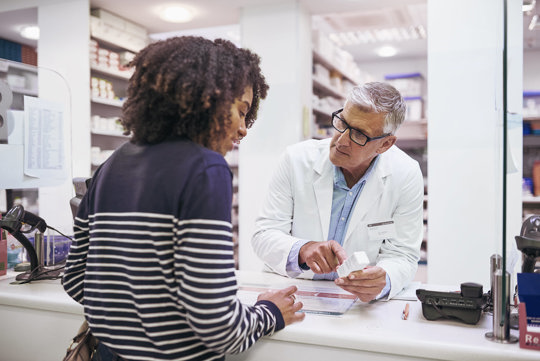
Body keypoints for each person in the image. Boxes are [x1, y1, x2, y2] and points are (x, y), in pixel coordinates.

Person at [62, 36, 304, 361]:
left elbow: (76, 278)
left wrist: (134, 317)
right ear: (206, 99)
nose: (245, 128)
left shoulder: (111, 164)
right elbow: (219, 328)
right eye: (241, 110)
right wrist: (269, 312)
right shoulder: (206, 169)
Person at [251, 82, 424, 303]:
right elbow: (264, 235)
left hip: (356, 303)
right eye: (342, 122)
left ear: (385, 144)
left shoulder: (405, 174)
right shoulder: (296, 159)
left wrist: (385, 279)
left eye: (359, 135)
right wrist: (303, 249)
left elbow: (403, 254)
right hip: (292, 291)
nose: (341, 140)